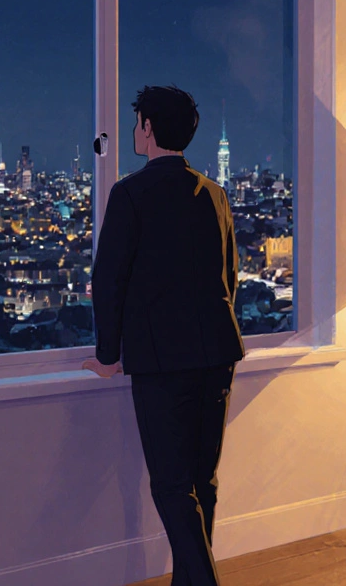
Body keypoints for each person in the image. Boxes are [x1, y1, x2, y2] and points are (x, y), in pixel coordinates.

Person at [84, 85, 245, 586]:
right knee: (202, 481)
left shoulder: (130, 193)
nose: (135, 130)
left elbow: (108, 280)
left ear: (149, 128)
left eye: (137, 122)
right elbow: (230, 274)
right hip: (217, 352)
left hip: (161, 360)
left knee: (172, 485)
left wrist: (107, 355)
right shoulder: (215, 193)